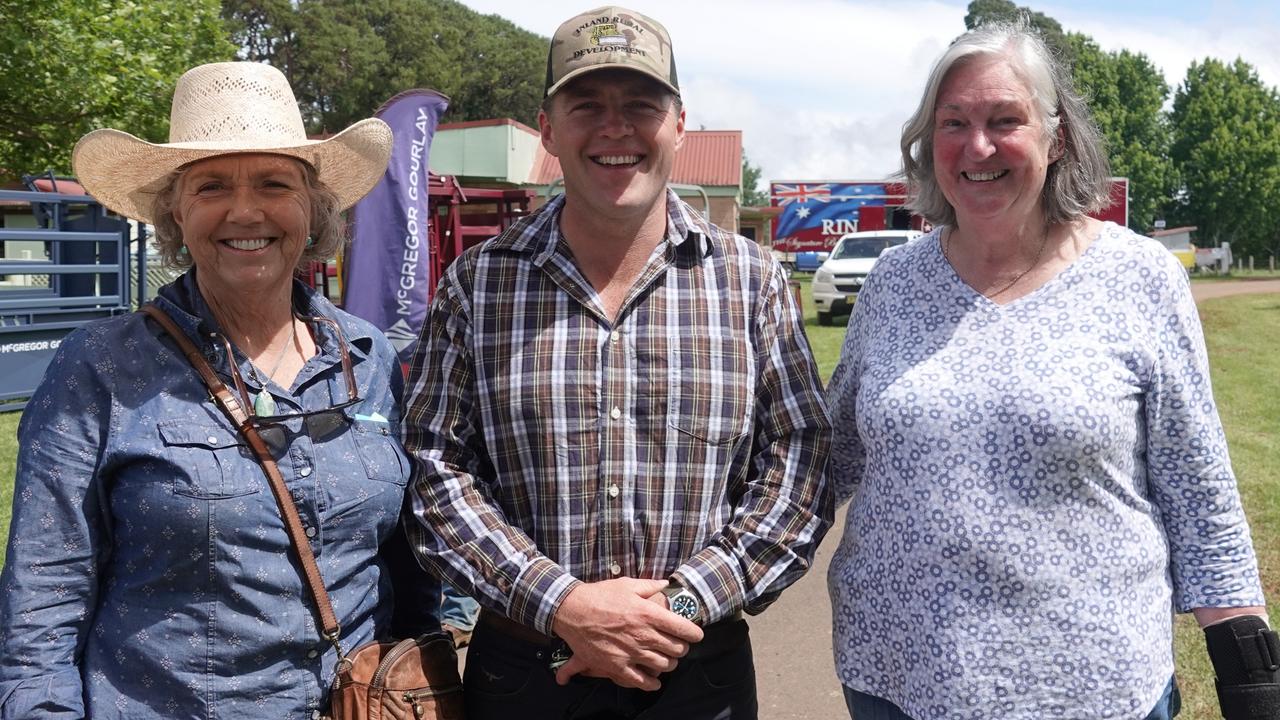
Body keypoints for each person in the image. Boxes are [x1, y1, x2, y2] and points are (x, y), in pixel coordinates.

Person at [826, 22, 1275, 720]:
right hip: (897, 678)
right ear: (928, 141)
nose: (978, 147)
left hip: (1092, 690)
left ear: (1055, 136)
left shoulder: (1138, 277)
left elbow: (1199, 488)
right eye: (955, 123)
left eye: (1005, 119)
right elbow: (830, 456)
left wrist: (1250, 674)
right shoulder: (893, 282)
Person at [401, 6, 833, 719]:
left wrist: (678, 604)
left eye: (640, 104)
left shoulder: (752, 283)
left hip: (697, 671)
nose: (616, 128)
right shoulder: (480, 285)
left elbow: (801, 467)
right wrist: (562, 602)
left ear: (679, 124)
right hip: (525, 674)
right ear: (547, 128)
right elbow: (434, 471)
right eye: (587, 106)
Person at [0, 61, 440, 718]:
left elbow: (407, 577)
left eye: (273, 183)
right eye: (211, 186)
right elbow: (41, 606)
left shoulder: (368, 359)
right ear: (175, 212)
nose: (245, 210)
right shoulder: (100, 369)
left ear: (313, 207)